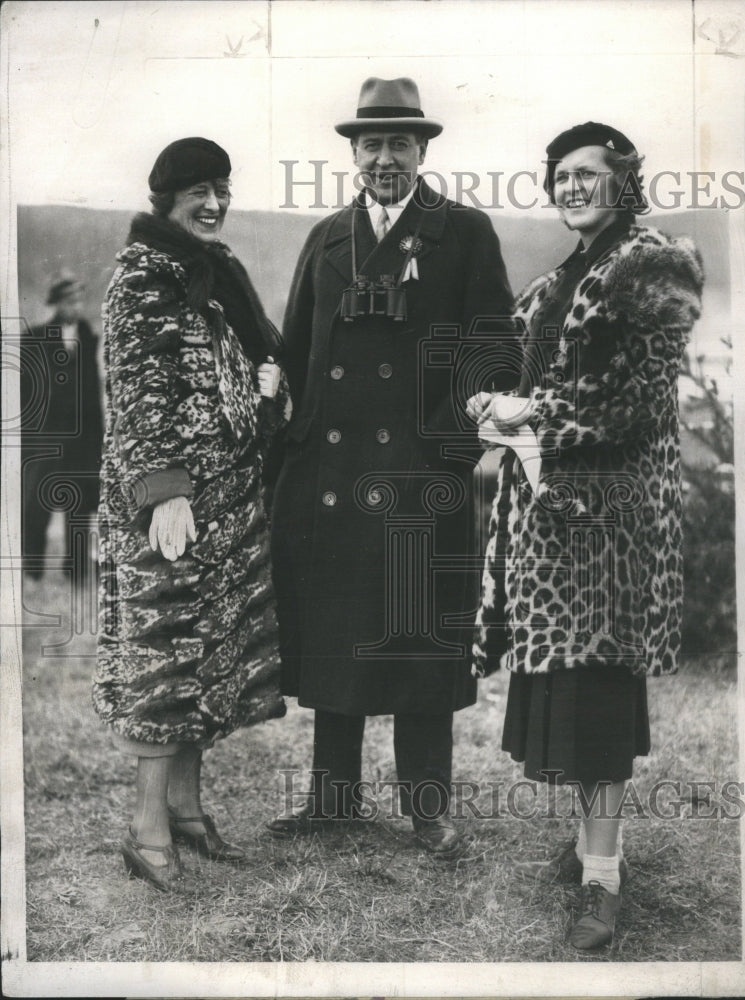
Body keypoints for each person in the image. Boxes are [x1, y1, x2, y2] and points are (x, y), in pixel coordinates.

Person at [471, 122, 704, 947]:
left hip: (610, 523)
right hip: (552, 526)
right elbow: (525, 379)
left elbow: (630, 400)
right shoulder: (561, 278)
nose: (571, 186)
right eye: (560, 175)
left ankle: (603, 876)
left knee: (599, 693)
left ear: (623, 182)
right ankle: (586, 846)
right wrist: (492, 405)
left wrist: (525, 415)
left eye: (587, 175)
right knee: (570, 694)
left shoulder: (652, 266)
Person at [268, 78, 514, 858]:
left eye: (399, 144)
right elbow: (295, 353)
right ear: (352, 152)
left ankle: (428, 808)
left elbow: (494, 347)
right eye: (371, 144)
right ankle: (333, 799)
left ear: (423, 151)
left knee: (415, 643)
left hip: (420, 477)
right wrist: (295, 443)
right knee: (340, 632)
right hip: (334, 481)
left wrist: (450, 442)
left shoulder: (465, 233)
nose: (385, 158)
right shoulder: (326, 238)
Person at [93, 137, 291, 890]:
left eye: (222, 188)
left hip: (225, 502)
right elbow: (143, 395)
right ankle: (146, 832)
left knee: (207, 659)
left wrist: (268, 381)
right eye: (198, 191)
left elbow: (241, 366)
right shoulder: (144, 280)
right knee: (163, 656)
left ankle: (185, 810)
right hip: (168, 507)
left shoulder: (215, 272)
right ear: (166, 200)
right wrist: (165, 489)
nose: (214, 203)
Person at [21, 273, 103, 581]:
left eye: (79, 300)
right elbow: (25, 396)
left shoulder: (90, 339)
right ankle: (32, 571)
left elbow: (94, 396)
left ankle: (78, 571)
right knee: (36, 507)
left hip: (83, 443)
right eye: (69, 300)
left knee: (80, 508)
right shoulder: (35, 338)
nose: (76, 306)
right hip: (46, 442)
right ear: (56, 303)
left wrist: (98, 442)